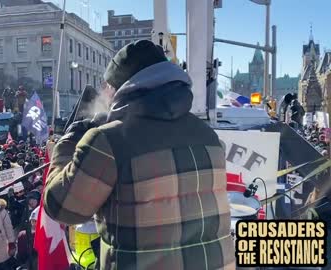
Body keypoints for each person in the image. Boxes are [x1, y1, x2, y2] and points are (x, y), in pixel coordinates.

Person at [43, 40, 235, 269]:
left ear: (119, 88)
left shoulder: (108, 142)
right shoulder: (208, 136)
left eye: (107, 87)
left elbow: (61, 207)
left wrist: (67, 144)